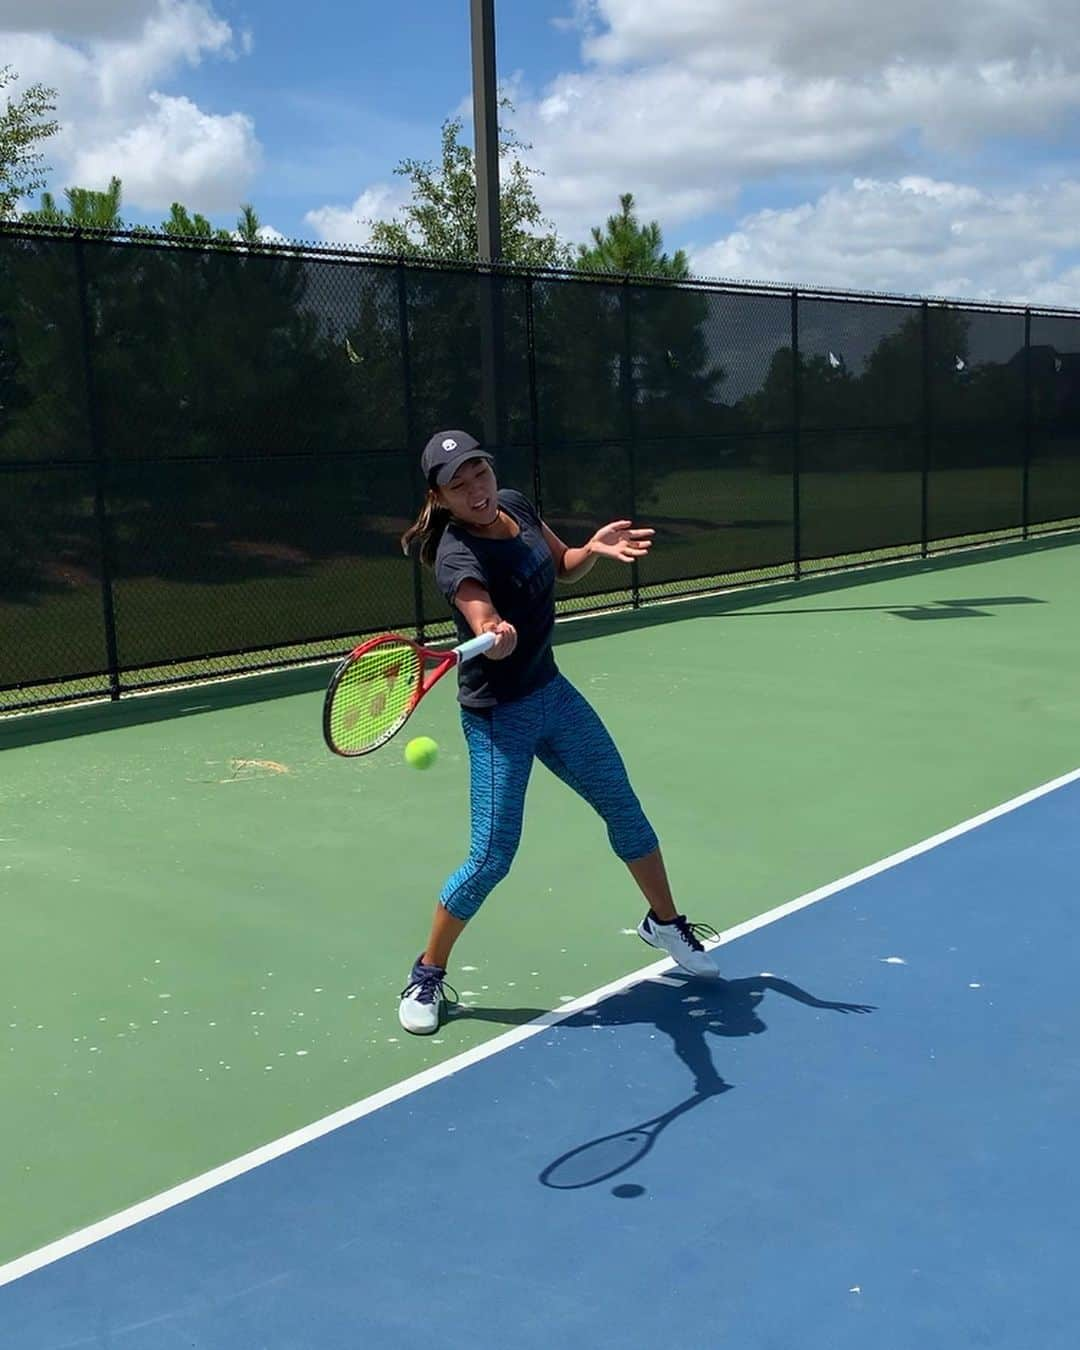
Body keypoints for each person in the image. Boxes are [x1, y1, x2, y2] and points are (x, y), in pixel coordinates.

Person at [397, 429, 719, 1035]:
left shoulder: (515, 504)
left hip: (553, 695)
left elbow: (562, 565)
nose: (476, 490)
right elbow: (481, 616)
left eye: (479, 473)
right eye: (458, 484)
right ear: (439, 497)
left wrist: (591, 548)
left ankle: (666, 924)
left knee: (625, 811)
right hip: (500, 717)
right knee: (492, 856)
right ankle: (428, 973)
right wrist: (494, 632)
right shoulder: (457, 556)